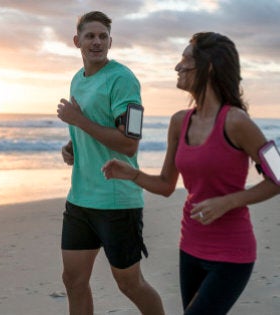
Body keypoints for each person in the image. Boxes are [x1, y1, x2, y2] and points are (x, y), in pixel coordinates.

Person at [102, 32, 280, 314]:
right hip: (190, 246)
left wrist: (228, 201)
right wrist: (132, 174)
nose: (177, 67)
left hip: (232, 253)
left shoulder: (238, 122)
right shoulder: (179, 122)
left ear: (208, 67)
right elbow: (166, 185)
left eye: (185, 60)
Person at [56, 11, 165, 315]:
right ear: (77, 41)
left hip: (116, 201)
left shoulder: (124, 80)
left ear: (111, 41)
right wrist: (73, 144)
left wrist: (78, 120)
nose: (97, 42)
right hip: (80, 199)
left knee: (129, 284)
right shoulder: (77, 79)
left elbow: (130, 142)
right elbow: (91, 127)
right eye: (90, 36)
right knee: (73, 281)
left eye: (103, 36)